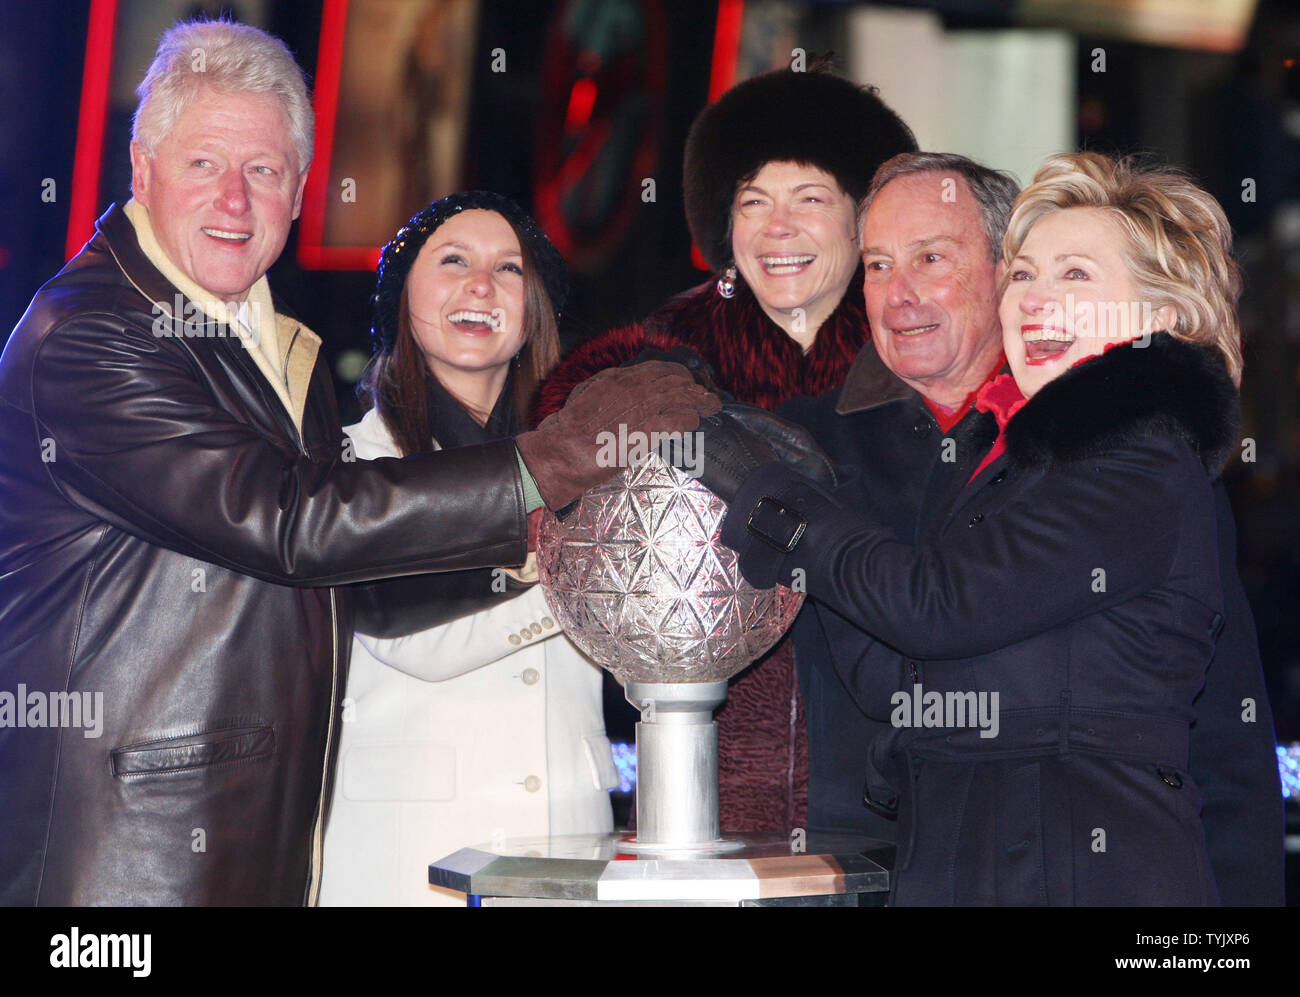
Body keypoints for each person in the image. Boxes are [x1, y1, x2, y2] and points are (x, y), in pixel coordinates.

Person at [0, 18, 717, 906]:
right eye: (203, 164)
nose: (235, 200)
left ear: (301, 190)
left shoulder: (272, 346)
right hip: (132, 867)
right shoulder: (94, 334)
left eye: (263, 171)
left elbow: (338, 578)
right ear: (141, 168)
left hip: (259, 847)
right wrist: (557, 469)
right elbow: (293, 521)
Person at [708, 151, 1275, 904]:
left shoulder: (1144, 459)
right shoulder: (1014, 466)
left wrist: (783, 505)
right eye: (1027, 274)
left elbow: (939, 606)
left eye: (1076, 276)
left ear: (1160, 316)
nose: (1035, 299)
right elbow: (894, 674)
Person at [535, 63, 916, 831]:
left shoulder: (923, 365)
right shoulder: (642, 372)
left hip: (891, 795)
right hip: (702, 795)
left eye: (810, 199)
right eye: (754, 202)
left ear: (860, 220)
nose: (779, 229)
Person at [319, 193, 615, 906]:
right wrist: (586, 563)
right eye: (454, 261)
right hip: (411, 861)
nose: (481, 285)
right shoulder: (352, 464)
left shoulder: (586, 457)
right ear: (403, 296)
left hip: (566, 847)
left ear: (533, 308)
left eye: (508, 269)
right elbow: (418, 636)